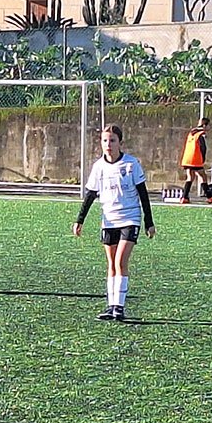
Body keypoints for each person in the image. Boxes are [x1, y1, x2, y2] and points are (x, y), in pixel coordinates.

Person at [71, 124, 156, 321]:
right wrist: (79, 220)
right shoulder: (98, 167)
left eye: (112, 140)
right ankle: (111, 306)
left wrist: (149, 222)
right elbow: (91, 195)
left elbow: (143, 194)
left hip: (129, 218)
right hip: (108, 220)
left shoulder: (131, 164)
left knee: (120, 262)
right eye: (105, 141)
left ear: (120, 142)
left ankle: (120, 307)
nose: (108, 144)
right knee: (111, 263)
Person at [178, 117, 212, 204]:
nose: (209, 127)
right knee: (203, 176)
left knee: (190, 177)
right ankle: (209, 197)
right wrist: (202, 159)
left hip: (187, 159)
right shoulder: (201, 134)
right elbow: (203, 148)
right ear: (205, 125)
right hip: (195, 159)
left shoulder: (192, 132)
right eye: (209, 125)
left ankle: (184, 197)